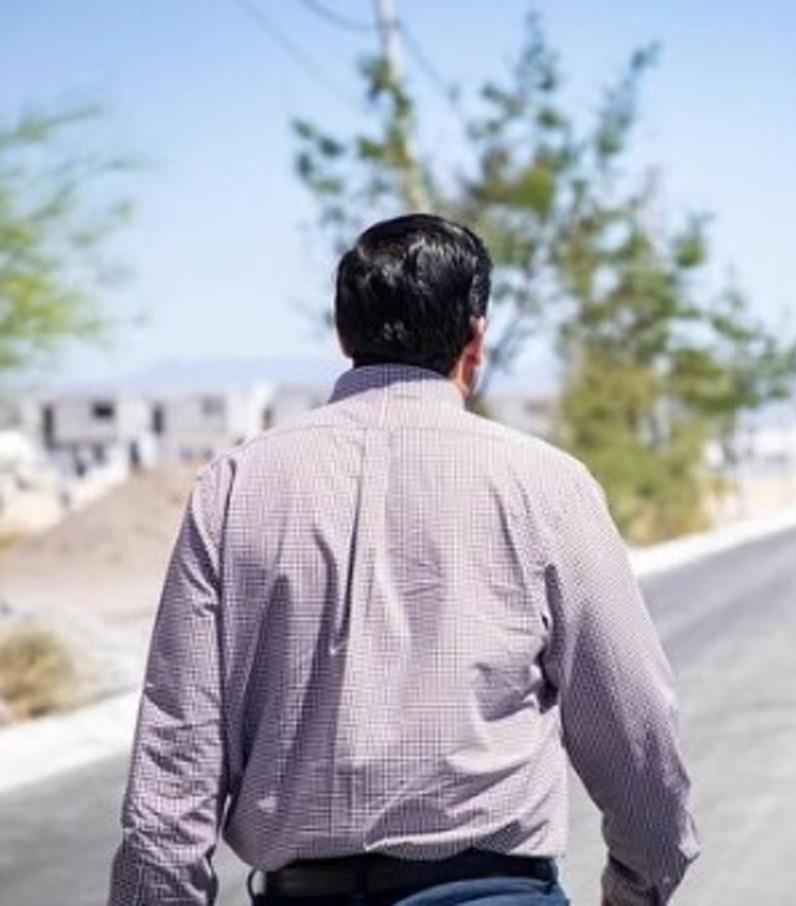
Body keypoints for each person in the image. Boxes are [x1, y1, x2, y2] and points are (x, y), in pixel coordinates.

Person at [108, 213, 699, 906]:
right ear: (475, 337)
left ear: (344, 335)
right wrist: (640, 882)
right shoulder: (547, 486)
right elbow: (634, 723)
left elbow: (176, 756)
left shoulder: (236, 487)